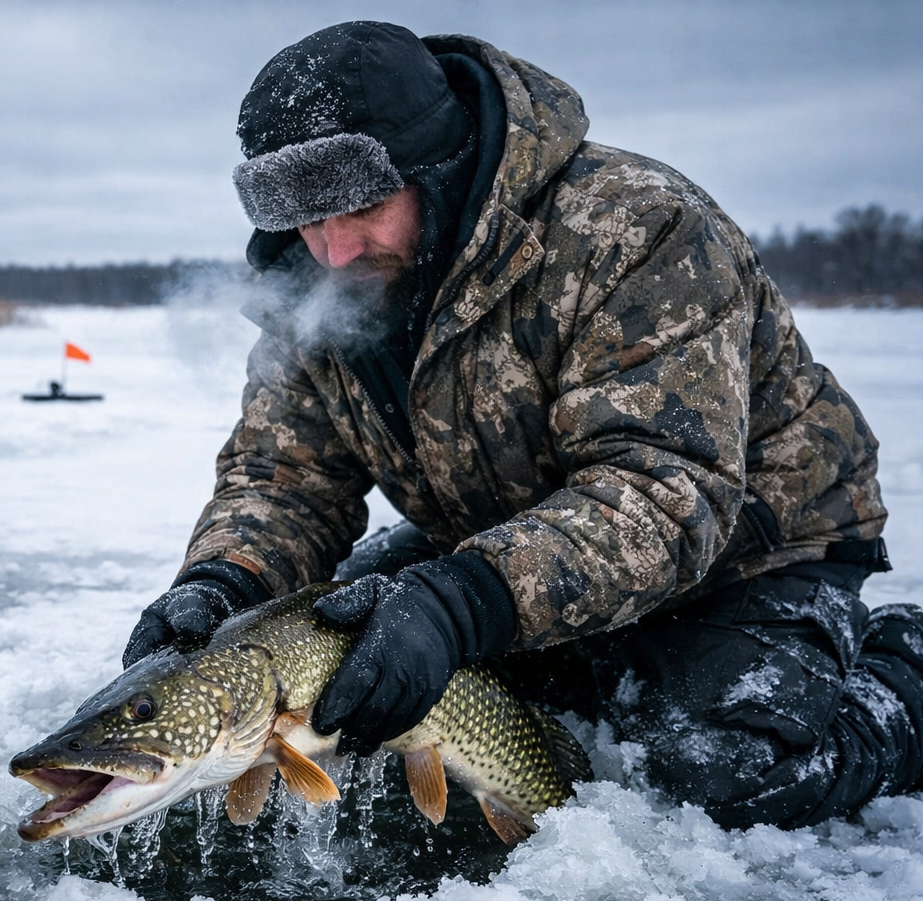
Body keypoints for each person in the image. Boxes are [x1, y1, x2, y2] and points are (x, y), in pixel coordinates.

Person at [123, 22, 923, 829]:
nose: (332, 252)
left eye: (362, 206)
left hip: (750, 546)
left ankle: (905, 675)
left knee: (714, 786)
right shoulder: (318, 283)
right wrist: (224, 580)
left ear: (438, 171)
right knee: (350, 676)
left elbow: (664, 495)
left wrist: (458, 606)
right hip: (491, 531)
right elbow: (284, 477)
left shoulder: (634, 228)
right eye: (305, 216)